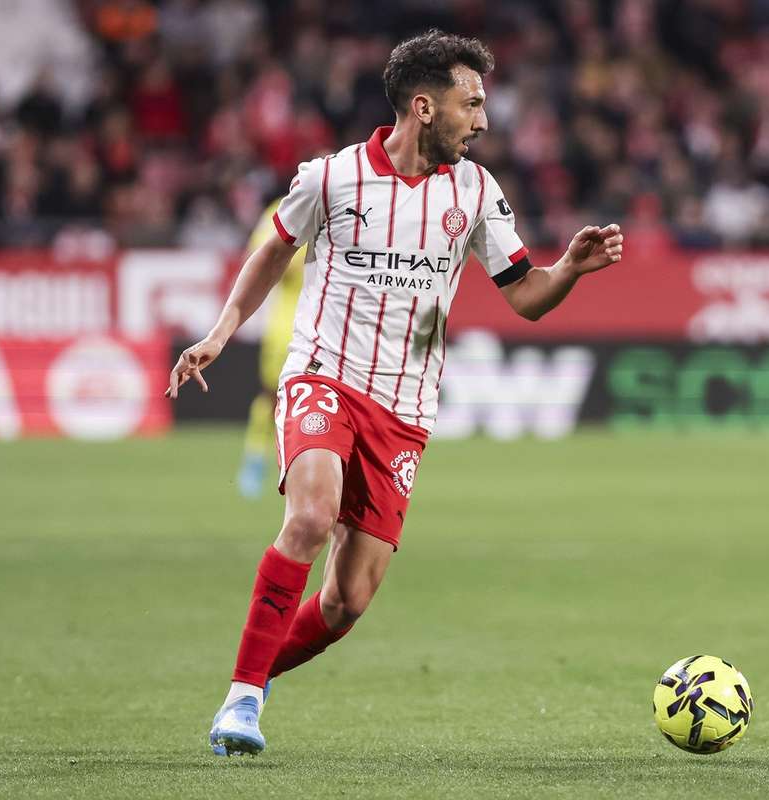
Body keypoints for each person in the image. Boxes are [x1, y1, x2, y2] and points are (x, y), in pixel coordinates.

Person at [166, 30, 625, 756]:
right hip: (324, 375)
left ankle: (247, 679)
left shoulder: (476, 192)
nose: (482, 119)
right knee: (311, 515)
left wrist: (568, 266)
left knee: (347, 603)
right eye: (470, 103)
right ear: (423, 106)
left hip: (404, 411)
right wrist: (221, 333)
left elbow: (527, 298)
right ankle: (244, 704)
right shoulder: (331, 177)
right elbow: (274, 251)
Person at [236, 197, 306, 499]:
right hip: (286, 327)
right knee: (273, 396)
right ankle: (255, 459)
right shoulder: (284, 208)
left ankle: (305, 468)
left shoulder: (354, 202)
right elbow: (258, 258)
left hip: (334, 325)